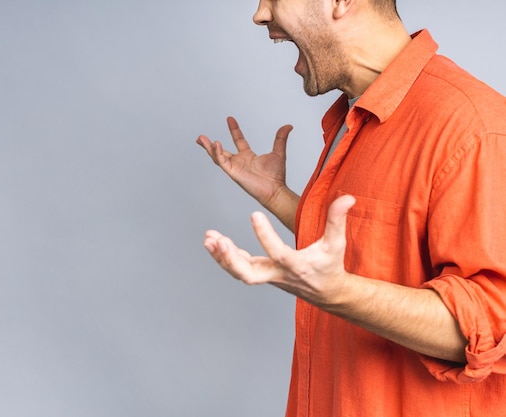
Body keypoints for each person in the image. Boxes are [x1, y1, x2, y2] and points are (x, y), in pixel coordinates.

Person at [196, 0, 506, 416]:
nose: (260, 14)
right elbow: (367, 255)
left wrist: (338, 296)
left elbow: (491, 320)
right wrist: (279, 198)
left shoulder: (474, 126)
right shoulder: (353, 116)